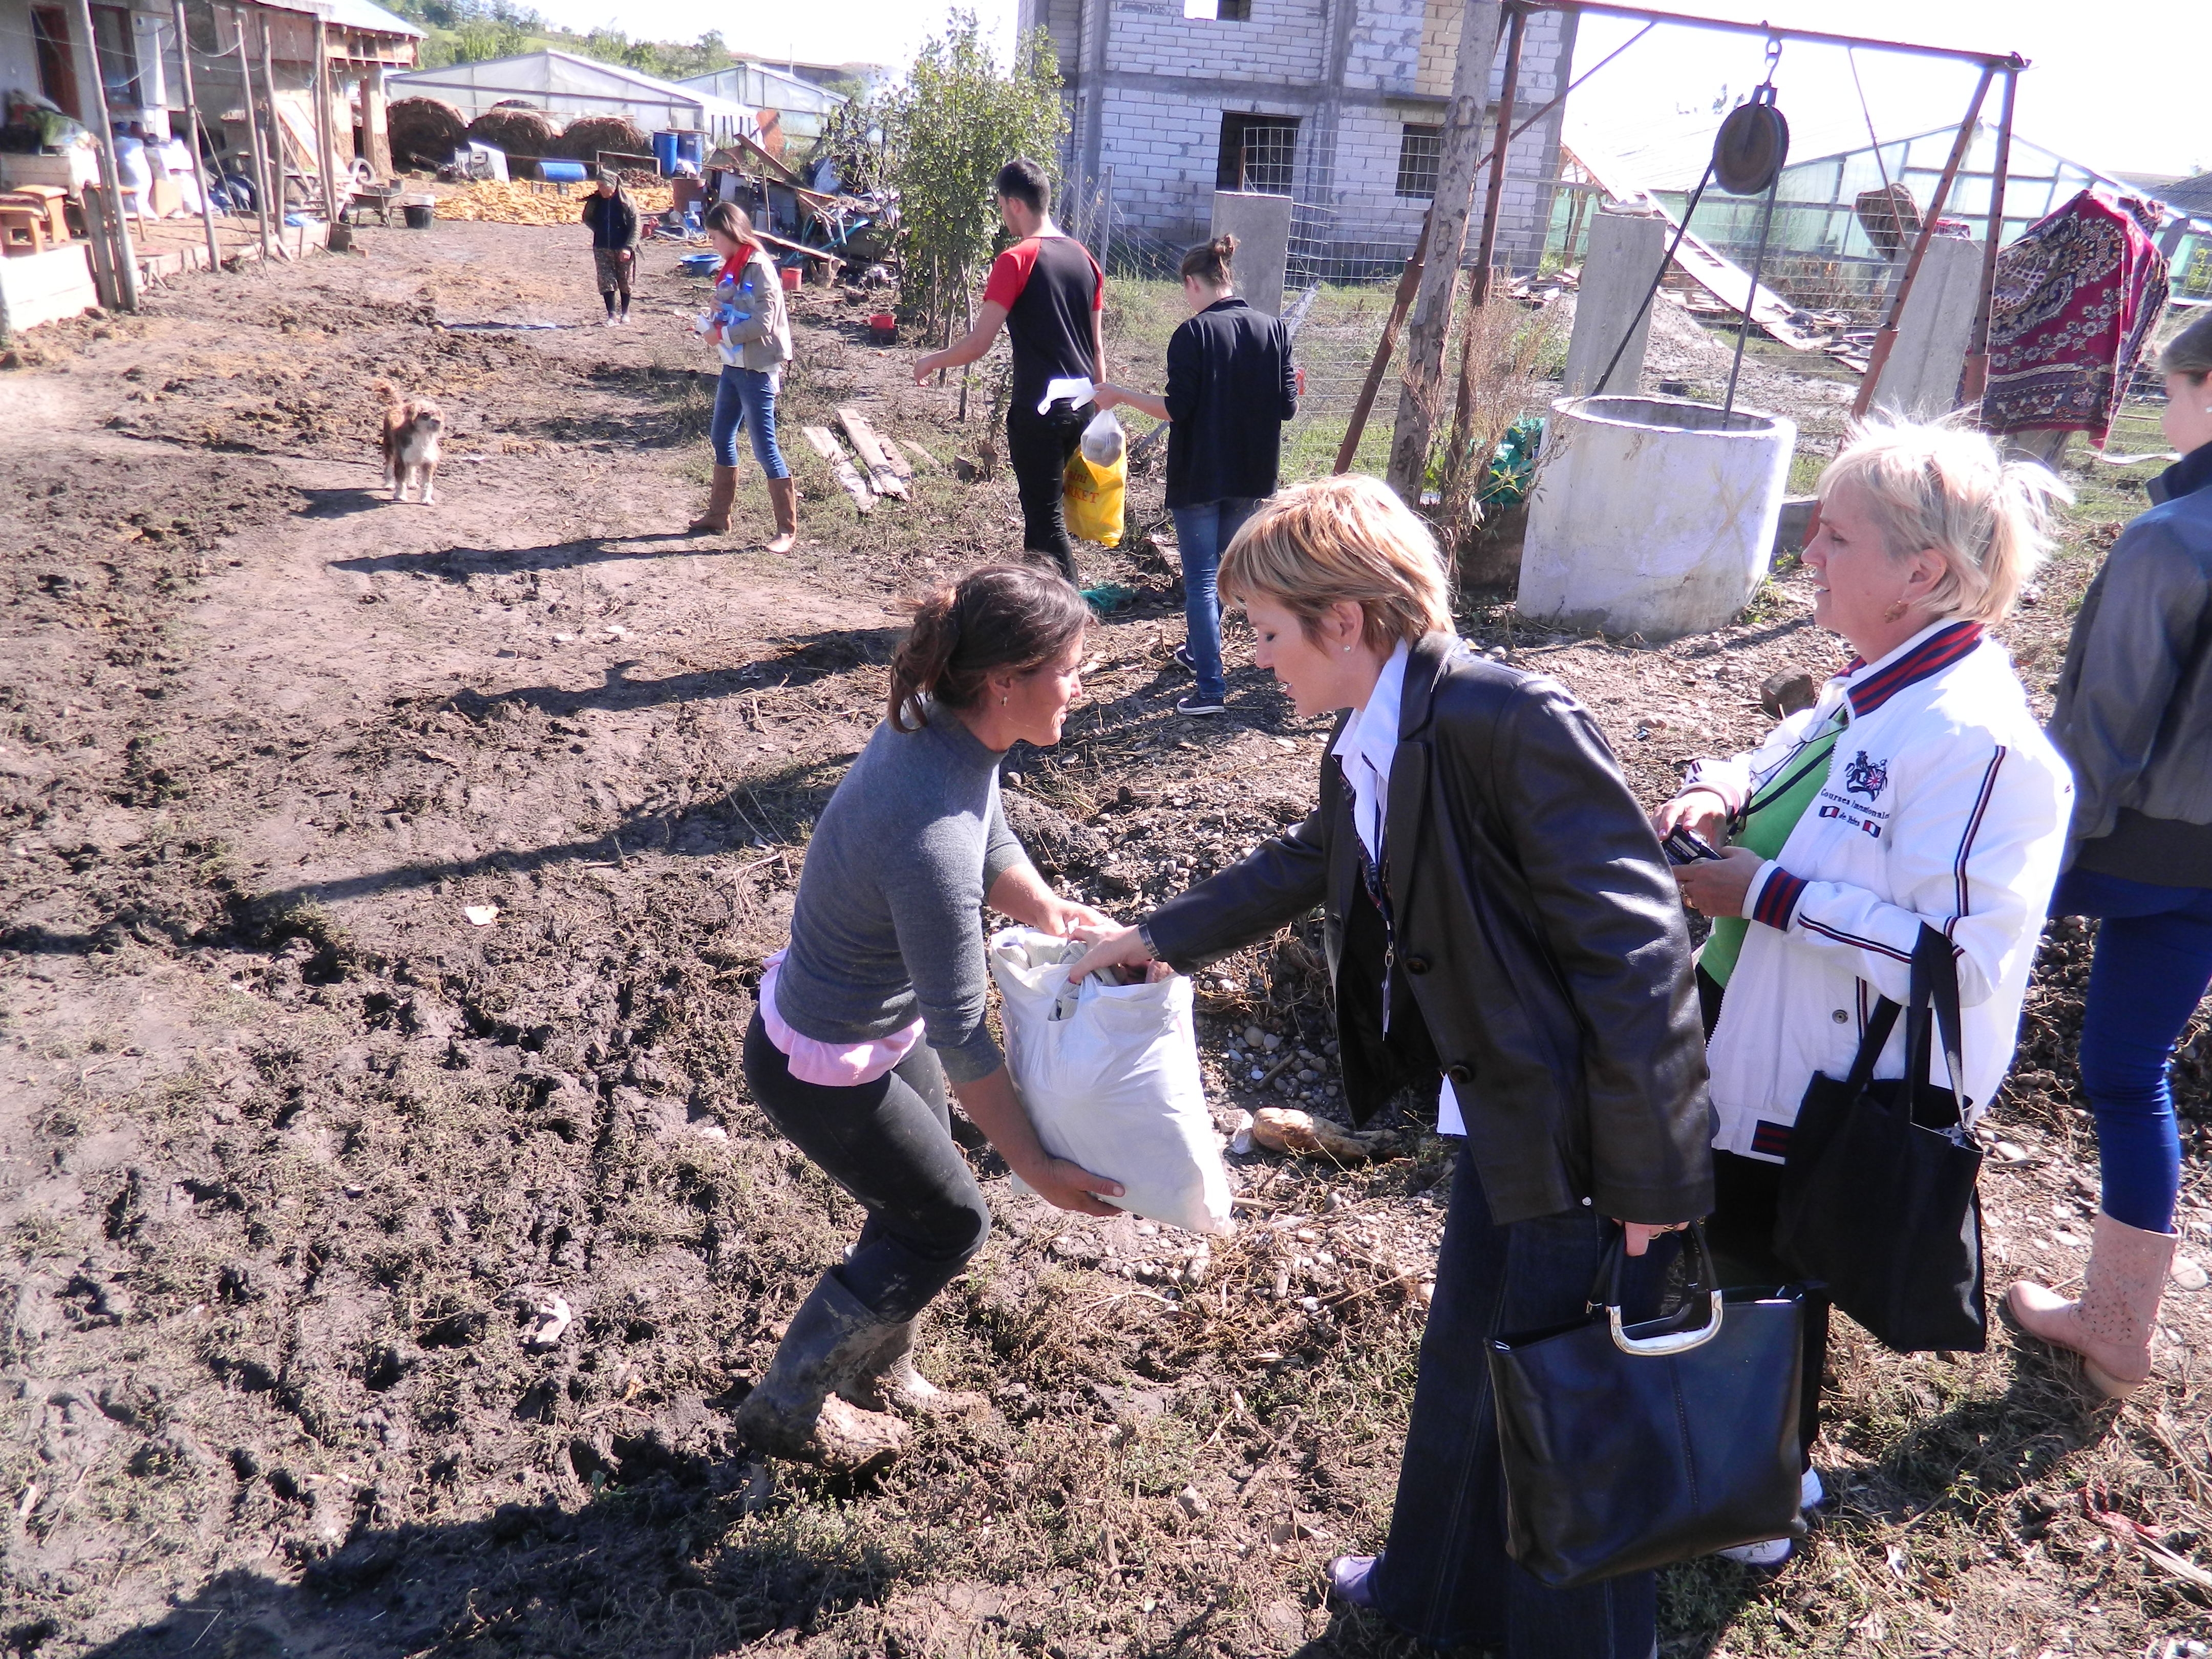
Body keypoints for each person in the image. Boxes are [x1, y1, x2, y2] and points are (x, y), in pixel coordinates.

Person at [1070, 475, 1712, 1656]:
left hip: (1577, 1139)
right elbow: (1314, 856)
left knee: (1560, 1420)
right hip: (1499, 1111)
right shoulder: (1371, 731)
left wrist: (1654, 1192)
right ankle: (1427, 1591)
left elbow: (1642, 960)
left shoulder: (1509, 722)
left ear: (1348, 620)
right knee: (1470, 1359)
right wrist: (1154, 938)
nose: (1258, 657)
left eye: (1267, 632)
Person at [1653, 417, 2074, 1558]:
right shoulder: (1880, 687)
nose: (1811, 559)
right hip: (1757, 1030)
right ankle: (1737, 1465)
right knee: (1737, 1255)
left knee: (1773, 1273)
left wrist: (1771, 898)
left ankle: (1755, 1505)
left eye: (1835, 538)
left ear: (1923, 572)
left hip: (1832, 1077)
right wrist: (1714, 793)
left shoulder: (1983, 744)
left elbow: (1967, 960)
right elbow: (1791, 758)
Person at [736, 564, 1128, 1469]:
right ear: (1005, 681)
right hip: (822, 1068)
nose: (1082, 684)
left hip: (870, 1025)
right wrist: (1037, 1167)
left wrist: (1048, 911)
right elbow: (963, 1033)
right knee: (949, 1221)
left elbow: (989, 829)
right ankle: (789, 1406)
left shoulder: (945, 735)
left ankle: (880, 1367)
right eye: (1071, 668)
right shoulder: (929, 840)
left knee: (914, 1197)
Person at [2010, 312, 2212, 1397]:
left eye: (2168, 388)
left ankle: (1845, 1214)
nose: (2161, 410)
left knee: (1915, 978)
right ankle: (2120, 1330)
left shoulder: (2170, 539)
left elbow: (2107, 727)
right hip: (2210, 870)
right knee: (2131, 1075)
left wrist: (2027, 852)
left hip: (2122, 840)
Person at [1093, 234, 1302, 717]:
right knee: (1227, 580)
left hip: (1200, 479)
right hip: (1251, 476)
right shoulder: (1275, 330)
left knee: (1203, 582)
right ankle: (1197, 652)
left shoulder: (1192, 335)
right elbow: (1288, 407)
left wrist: (1120, 394)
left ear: (1193, 282)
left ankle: (1210, 688)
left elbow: (1175, 410)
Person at [913, 158, 1104, 584]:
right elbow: (1097, 348)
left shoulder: (1016, 260)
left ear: (1014, 204)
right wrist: (1101, 406)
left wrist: (931, 360)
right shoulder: (1085, 259)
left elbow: (979, 344)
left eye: (1001, 206)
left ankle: (1061, 624)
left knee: (1044, 522)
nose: (1002, 214)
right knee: (1051, 516)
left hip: (1040, 410)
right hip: (1084, 406)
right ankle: (1050, 619)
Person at [687, 202, 797, 552]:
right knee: (721, 435)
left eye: (715, 236)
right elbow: (738, 308)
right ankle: (719, 515)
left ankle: (786, 530)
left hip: (758, 367)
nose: (713, 244)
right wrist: (718, 312)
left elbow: (764, 323)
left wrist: (722, 336)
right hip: (733, 364)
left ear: (731, 232)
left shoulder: (759, 266)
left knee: (765, 447)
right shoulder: (733, 265)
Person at [580, 171, 639, 326]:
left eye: (603, 185)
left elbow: (636, 227)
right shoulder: (595, 201)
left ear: (612, 185)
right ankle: (612, 315)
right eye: (598, 185)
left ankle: (625, 312)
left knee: (624, 281)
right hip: (601, 247)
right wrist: (599, 230)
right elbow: (587, 218)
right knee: (606, 280)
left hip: (623, 247)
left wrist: (629, 247)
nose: (600, 189)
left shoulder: (626, 202)